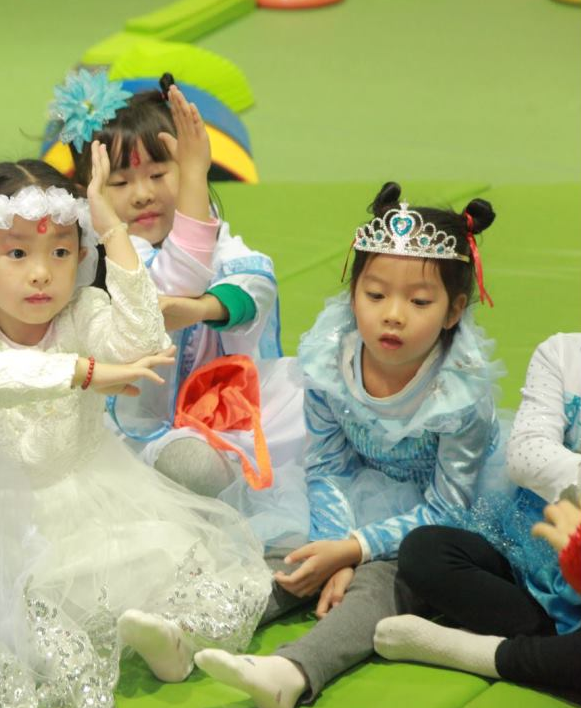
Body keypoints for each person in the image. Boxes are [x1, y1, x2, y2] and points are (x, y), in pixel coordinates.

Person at [0, 149, 271, 707]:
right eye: (16, 252)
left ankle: (173, 641)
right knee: (37, 631)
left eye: (61, 251)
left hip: (89, 494)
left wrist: (114, 229)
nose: (41, 272)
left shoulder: (81, 311)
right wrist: (84, 372)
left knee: (167, 559)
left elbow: (142, 340)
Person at [195, 182, 503, 708]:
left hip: (431, 527)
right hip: (346, 499)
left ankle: (293, 670)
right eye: (375, 295)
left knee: (381, 587)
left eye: (419, 301)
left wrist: (355, 551)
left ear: (453, 311)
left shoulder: (459, 395)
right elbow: (326, 465)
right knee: (290, 556)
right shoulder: (329, 360)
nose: (393, 314)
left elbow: (448, 508)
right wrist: (331, 550)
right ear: (353, 291)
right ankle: (193, 630)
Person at [56, 70, 307, 548]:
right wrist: (192, 177)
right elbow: (174, 281)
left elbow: (253, 288)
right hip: (133, 428)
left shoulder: (223, 243)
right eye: (121, 182)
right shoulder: (106, 257)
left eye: (159, 174)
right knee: (178, 467)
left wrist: (202, 308)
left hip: (226, 417)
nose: (143, 194)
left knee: (315, 402)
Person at [375, 332, 581, 693]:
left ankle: (481, 652)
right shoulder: (562, 352)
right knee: (425, 551)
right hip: (532, 555)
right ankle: (551, 647)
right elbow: (527, 455)